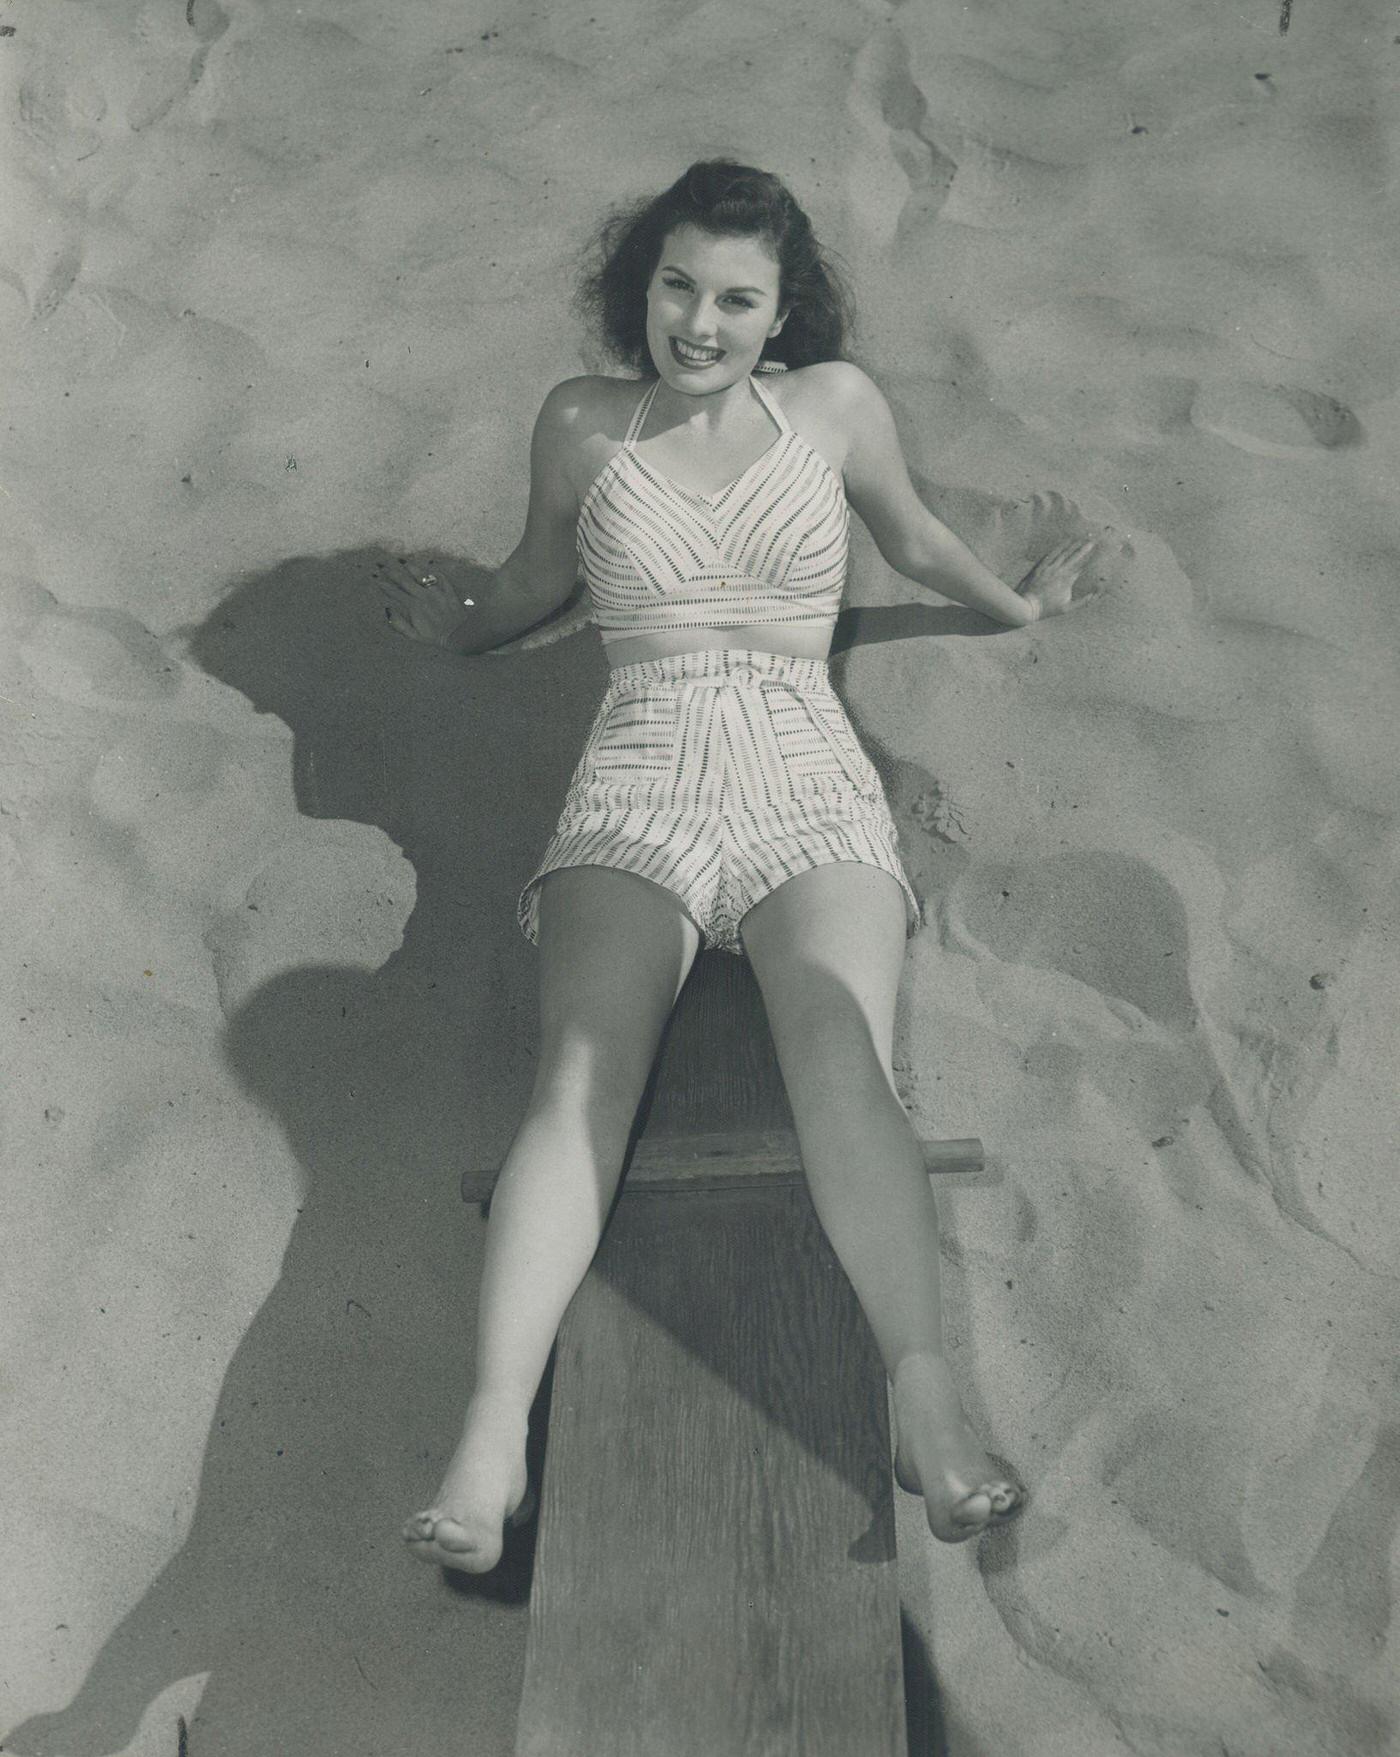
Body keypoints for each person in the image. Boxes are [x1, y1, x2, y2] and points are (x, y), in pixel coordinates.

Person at [376, 159, 1097, 1573]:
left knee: (841, 1048)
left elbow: (913, 534)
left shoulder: (830, 408)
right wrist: (461, 624)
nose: (700, 323)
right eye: (678, 287)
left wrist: (1022, 600)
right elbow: (537, 577)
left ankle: (924, 1394)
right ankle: (492, 1429)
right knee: (581, 1072)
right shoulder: (584, 424)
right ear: (642, 282)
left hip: (803, 777)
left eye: (737, 299)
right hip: (640, 770)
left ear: (785, 314)